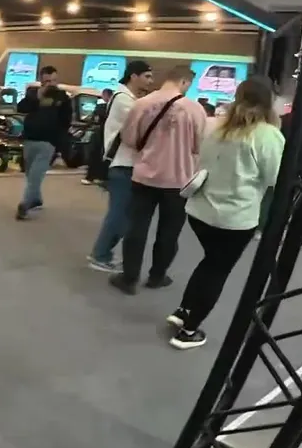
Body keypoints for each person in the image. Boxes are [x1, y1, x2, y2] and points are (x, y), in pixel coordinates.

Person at [168, 77, 284, 349]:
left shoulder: (217, 128)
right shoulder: (267, 135)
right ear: (269, 101)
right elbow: (275, 177)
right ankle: (188, 332)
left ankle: (183, 311)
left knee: (210, 263)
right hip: (234, 218)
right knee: (217, 270)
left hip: (200, 211)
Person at [108, 65, 207, 295]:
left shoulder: (141, 104)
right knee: (169, 231)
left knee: (137, 228)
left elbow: (129, 139)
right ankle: (157, 276)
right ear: (184, 82)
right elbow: (199, 146)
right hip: (178, 181)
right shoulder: (195, 109)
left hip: (144, 176)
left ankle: (129, 278)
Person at [87, 61, 154, 272]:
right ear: (133, 76)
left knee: (123, 215)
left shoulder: (130, 99)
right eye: (147, 76)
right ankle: (99, 255)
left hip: (127, 164)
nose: (150, 81)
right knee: (119, 216)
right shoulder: (123, 100)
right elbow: (144, 126)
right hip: (121, 164)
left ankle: (103, 253)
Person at [14, 65, 71, 220]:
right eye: (47, 81)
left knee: (35, 175)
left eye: (54, 80)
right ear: (41, 80)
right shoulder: (33, 93)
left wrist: (59, 143)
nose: (51, 84)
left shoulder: (62, 97)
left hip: (48, 142)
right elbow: (21, 108)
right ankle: (36, 199)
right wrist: (36, 97)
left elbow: (66, 121)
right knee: (30, 173)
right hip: (30, 139)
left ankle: (25, 204)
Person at [81, 88, 115, 185]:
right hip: (112, 134)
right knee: (106, 155)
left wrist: (84, 128)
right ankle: (103, 177)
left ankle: (90, 177)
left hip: (100, 133)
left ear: (105, 96)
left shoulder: (100, 107)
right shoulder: (114, 107)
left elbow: (94, 120)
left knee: (94, 154)